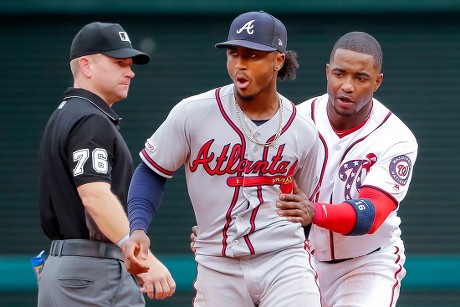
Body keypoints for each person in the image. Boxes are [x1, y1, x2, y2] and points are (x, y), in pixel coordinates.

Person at [122, 11, 322, 307]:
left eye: (252, 55)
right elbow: (152, 171)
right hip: (218, 265)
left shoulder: (303, 130)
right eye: (233, 53)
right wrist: (137, 228)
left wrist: (309, 214)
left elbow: (308, 203)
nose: (240, 64)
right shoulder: (193, 112)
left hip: (285, 261)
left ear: (278, 60)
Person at [37, 22, 175, 306]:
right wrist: (138, 255)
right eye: (119, 63)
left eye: (130, 64)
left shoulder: (70, 113)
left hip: (85, 268)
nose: (130, 71)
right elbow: (94, 195)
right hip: (88, 272)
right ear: (86, 66)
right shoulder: (90, 120)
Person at [277, 31, 418, 306]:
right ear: (327, 72)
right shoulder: (294, 121)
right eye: (340, 74)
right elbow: (262, 188)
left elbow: (370, 215)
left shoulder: (396, 137)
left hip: (367, 263)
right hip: (302, 261)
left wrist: (313, 212)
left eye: (360, 78)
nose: (347, 86)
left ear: (377, 82)